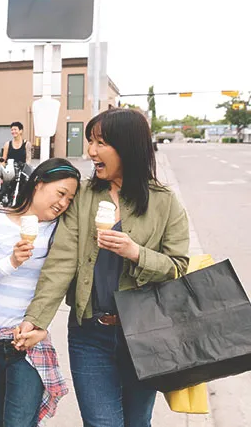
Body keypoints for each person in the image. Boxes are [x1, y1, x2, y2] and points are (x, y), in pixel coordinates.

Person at [15, 109, 190, 427]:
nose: (91, 151)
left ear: (128, 146)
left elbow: (178, 266)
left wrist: (136, 252)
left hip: (146, 333)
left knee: (138, 422)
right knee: (102, 423)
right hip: (89, 334)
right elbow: (61, 262)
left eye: (100, 142)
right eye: (90, 141)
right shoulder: (83, 196)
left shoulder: (164, 202)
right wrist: (36, 319)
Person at [0, 158, 80, 427]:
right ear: (38, 184)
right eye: (61, 194)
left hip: (25, 345)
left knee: (19, 423)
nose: (63, 204)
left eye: (70, 200)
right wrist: (11, 262)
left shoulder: (59, 233)